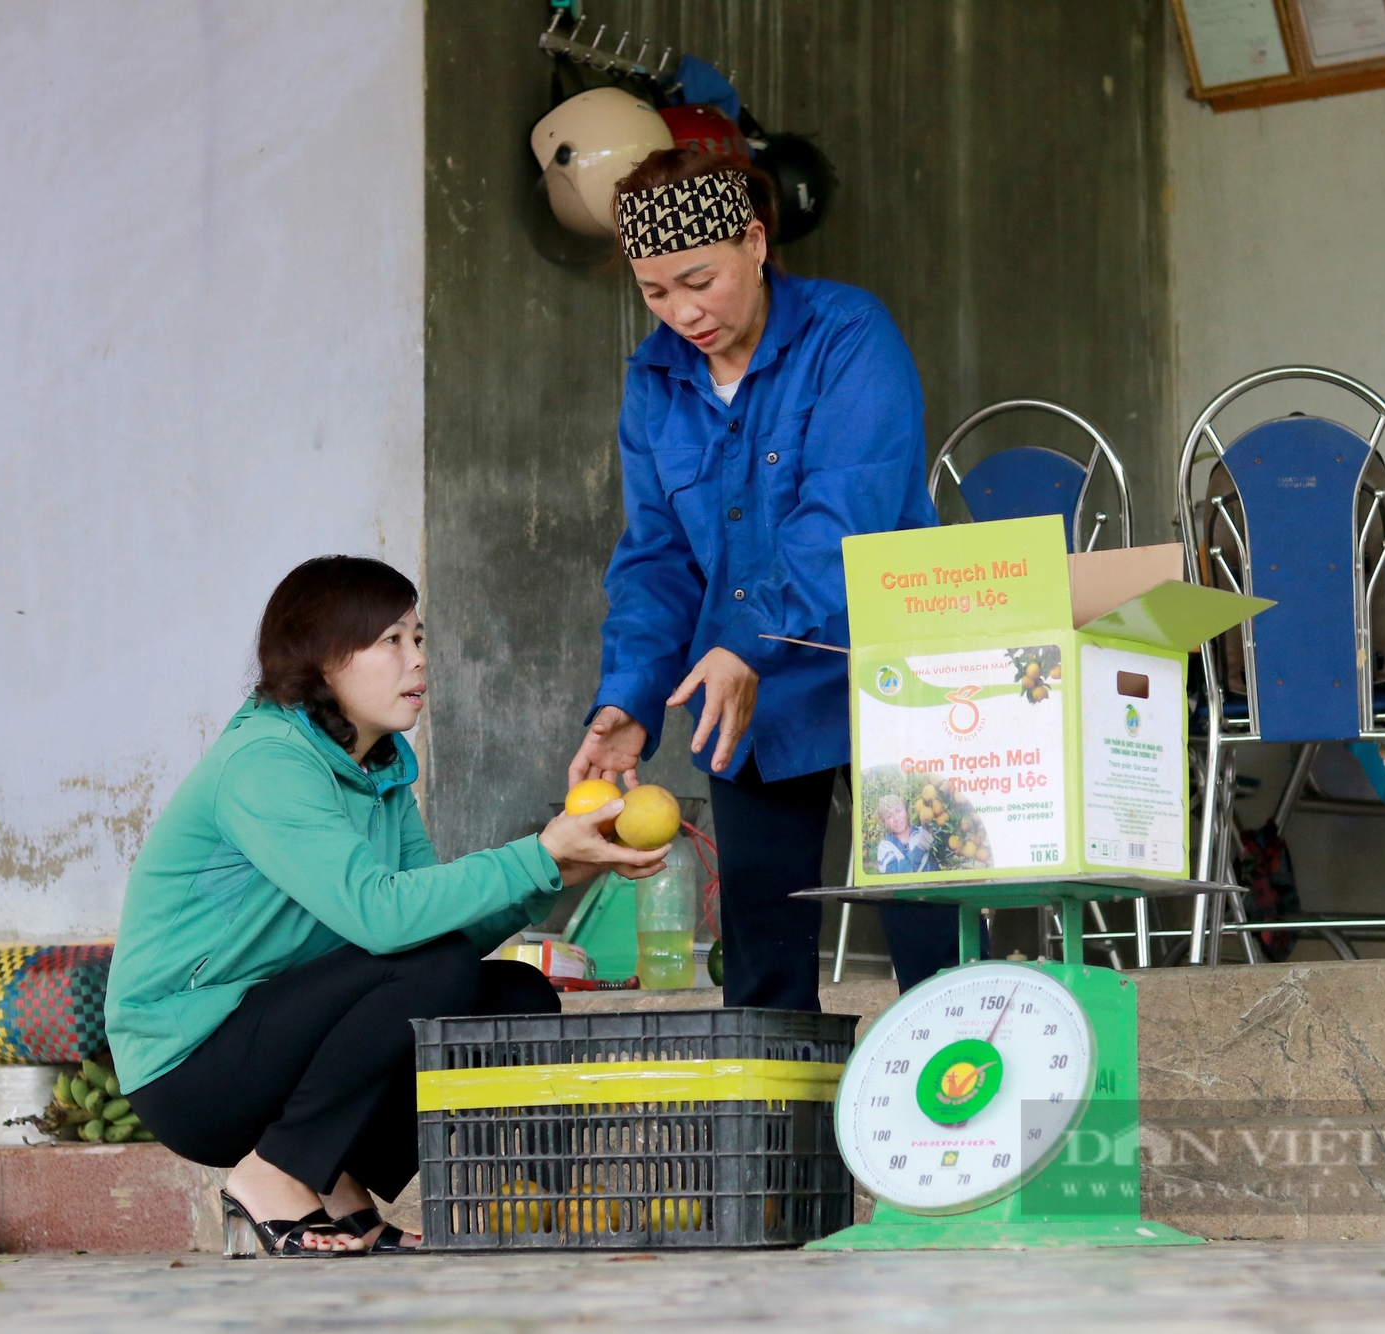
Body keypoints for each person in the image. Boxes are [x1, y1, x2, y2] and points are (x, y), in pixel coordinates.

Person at [107, 556, 663, 1257]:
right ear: (322, 661)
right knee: (427, 972)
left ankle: (339, 1186)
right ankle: (274, 1173)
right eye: (390, 641)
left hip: (275, 1031)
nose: (418, 661)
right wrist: (536, 854)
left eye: (419, 638)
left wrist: (558, 871)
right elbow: (385, 918)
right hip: (191, 1065)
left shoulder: (380, 768)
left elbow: (437, 929)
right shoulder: (266, 763)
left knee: (512, 992)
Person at [567, 148, 961, 1012]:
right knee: (765, 968)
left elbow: (843, 519)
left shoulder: (849, 336)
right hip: (751, 691)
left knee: (936, 948)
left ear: (753, 241)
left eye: (699, 280)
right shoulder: (656, 382)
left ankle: (959, 1138)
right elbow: (657, 555)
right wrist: (625, 702)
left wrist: (745, 642)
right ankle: (788, 1148)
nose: (683, 313)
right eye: (655, 293)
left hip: (894, 674)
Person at [872, 795, 939, 877]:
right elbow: (896, 876)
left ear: (906, 810)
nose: (896, 819)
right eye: (889, 816)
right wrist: (920, 847)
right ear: (884, 822)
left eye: (898, 811)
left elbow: (943, 854)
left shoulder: (922, 833)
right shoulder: (885, 847)